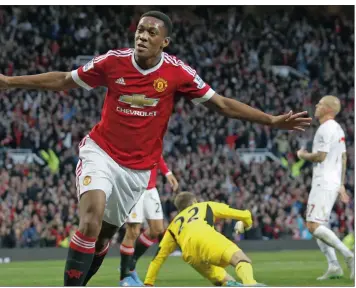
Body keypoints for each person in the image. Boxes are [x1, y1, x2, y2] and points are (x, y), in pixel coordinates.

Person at [0, 11, 311, 287]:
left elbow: (222, 104)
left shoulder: (178, 73)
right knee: (90, 220)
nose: (143, 36)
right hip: (101, 152)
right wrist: (11, 81)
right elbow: (64, 80)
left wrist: (270, 120)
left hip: (137, 171)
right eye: (140, 30)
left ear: (165, 41)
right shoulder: (113, 61)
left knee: (104, 236)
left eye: (151, 32)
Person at [144, 191, 263, 287]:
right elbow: (245, 214)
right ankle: (251, 284)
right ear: (194, 201)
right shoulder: (205, 205)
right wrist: (246, 225)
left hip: (191, 256)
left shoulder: (173, 225)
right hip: (206, 238)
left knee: (225, 281)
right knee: (241, 259)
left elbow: (158, 258)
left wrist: (148, 283)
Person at [297, 95, 354, 280]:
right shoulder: (338, 129)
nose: (316, 105)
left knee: (313, 225)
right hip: (332, 182)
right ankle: (334, 266)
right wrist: (341, 184)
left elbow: (321, 157)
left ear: (328, 109)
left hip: (323, 181)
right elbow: (344, 158)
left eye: (320, 104)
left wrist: (303, 155)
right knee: (318, 224)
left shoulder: (325, 129)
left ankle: (349, 256)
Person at [119, 155, 179, 286]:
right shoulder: (132, 135)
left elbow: (156, 152)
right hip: (134, 186)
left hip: (150, 188)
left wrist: (167, 172)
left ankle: (131, 264)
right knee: (133, 231)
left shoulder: (153, 136)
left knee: (157, 228)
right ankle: (124, 277)